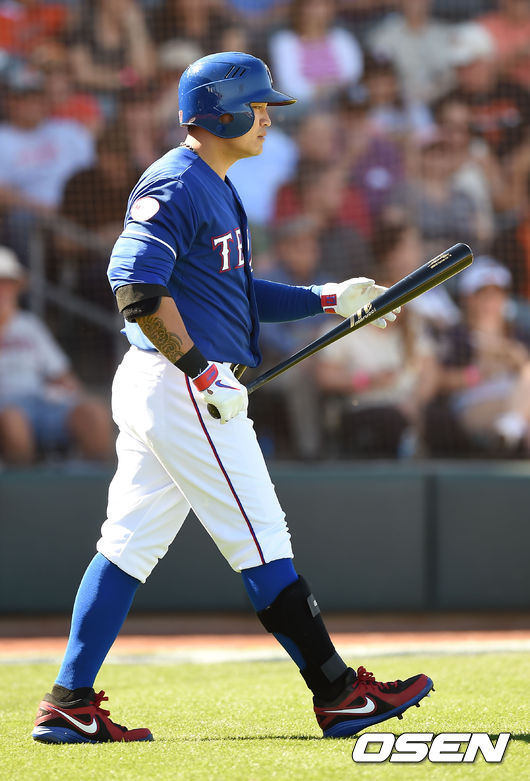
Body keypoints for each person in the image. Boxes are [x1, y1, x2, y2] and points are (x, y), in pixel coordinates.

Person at [32, 52, 432, 745]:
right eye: (259, 106)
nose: (269, 119)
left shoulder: (215, 183)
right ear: (221, 112)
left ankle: (69, 701)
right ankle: (339, 694)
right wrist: (199, 372)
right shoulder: (176, 180)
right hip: (183, 383)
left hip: (170, 384)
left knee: (127, 545)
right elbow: (135, 290)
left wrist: (327, 298)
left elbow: (234, 292)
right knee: (261, 539)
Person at [0, 247, 113, 465]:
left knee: (94, 413)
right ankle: (24, 484)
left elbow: (61, 374)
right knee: (13, 420)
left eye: (7, 283)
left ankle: (99, 483)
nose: (3, 290)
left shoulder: (30, 325)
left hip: (41, 402)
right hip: (6, 408)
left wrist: (78, 398)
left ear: (16, 287)